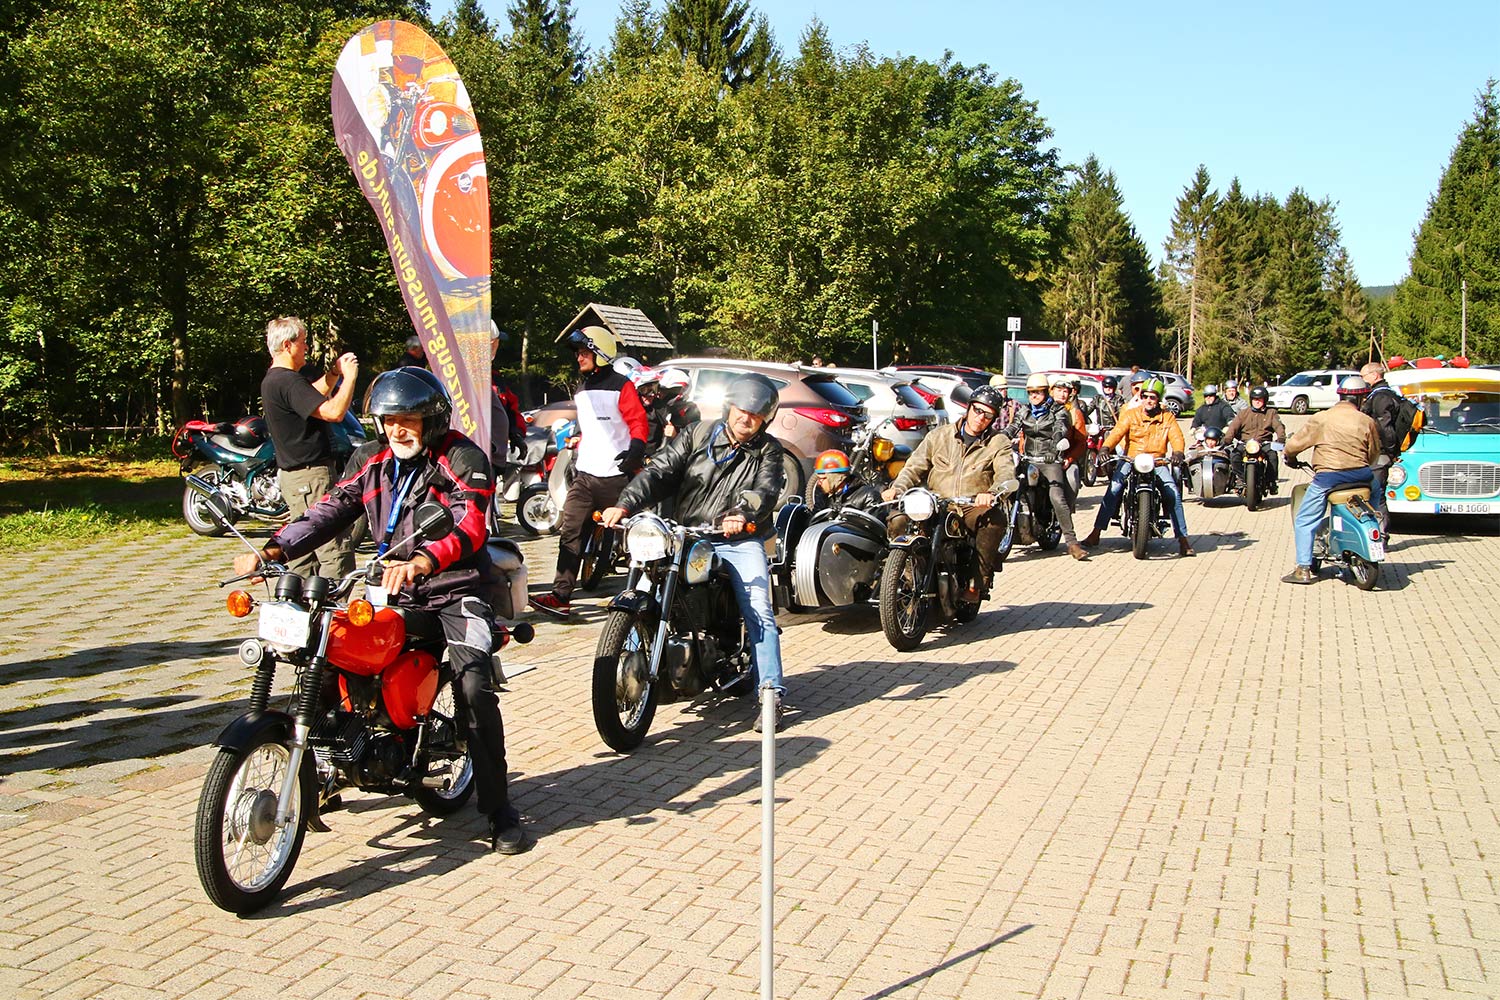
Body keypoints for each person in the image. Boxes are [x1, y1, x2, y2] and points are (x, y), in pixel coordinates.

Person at [232, 366, 528, 854]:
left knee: (474, 683)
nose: (397, 429)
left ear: (431, 419)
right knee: (326, 656)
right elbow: (329, 508)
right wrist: (275, 549)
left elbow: (470, 519)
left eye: (407, 419)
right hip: (390, 588)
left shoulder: (461, 456)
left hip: (456, 587)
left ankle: (499, 810)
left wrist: (426, 559)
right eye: (388, 420)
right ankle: (324, 771)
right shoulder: (371, 460)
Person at [599, 374, 790, 731]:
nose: (745, 418)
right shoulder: (697, 434)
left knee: (759, 609)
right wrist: (624, 505)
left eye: (754, 415)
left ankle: (771, 693)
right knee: (647, 583)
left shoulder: (768, 449)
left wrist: (742, 514)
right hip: (686, 533)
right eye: (741, 410)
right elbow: (659, 472)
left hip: (737, 538)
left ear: (765, 419)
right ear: (729, 407)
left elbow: (765, 489)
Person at [529, 326, 648, 618]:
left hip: (615, 475)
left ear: (600, 354)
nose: (579, 358)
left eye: (585, 353)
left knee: (633, 539)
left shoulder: (623, 386)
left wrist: (636, 449)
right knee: (570, 532)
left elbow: (638, 422)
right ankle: (561, 596)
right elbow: (591, 428)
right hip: (584, 475)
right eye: (578, 353)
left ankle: (641, 593)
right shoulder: (582, 389)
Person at [881, 384, 1018, 600]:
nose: (980, 418)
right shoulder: (939, 436)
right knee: (897, 518)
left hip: (971, 505)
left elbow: (1006, 474)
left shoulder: (998, 442)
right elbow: (914, 466)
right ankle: (906, 574)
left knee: (995, 520)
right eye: (978, 410)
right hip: (936, 502)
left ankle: (977, 582)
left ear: (993, 419)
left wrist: (992, 493)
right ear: (969, 408)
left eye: (988, 415)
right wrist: (898, 488)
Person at [260, 316, 358, 579]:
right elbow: (334, 412)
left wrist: (333, 374)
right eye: (303, 342)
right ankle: (334, 614)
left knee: (301, 548)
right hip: (311, 477)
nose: (306, 348)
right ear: (289, 345)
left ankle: (300, 609)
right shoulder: (288, 381)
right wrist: (349, 378)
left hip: (296, 479)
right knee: (334, 550)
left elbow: (310, 396)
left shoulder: (277, 380)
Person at [1280, 376, 1381, 585]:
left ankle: (1303, 568)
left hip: (1329, 477)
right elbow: (1374, 453)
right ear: (1362, 398)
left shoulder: (1322, 418)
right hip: (1362, 476)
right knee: (1376, 489)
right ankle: (1373, 516)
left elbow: (1294, 445)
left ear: (1340, 395)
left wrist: (1290, 457)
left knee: (1305, 519)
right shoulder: (1366, 420)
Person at [1081, 377, 1194, 556]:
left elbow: (1177, 437)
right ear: (1140, 397)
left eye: (1153, 397)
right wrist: (1105, 447)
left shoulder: (1167, 418)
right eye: (1145, 396)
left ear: (1159, 399)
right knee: (1114, 488)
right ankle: (1096, 533)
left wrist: (1178, 452)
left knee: (1172, 492)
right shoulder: (1131, 415)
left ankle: (1183, 540)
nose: (1148, 400)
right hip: (1131, 458)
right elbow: (1117, 432)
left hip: (1157, 461)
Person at [1000, 374, 1088, 560]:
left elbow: (1060, 428)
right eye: (1030, 392)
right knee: (1008, 486)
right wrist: (998, 439)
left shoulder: (1058, 410)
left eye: (1038, 392)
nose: (1034, 396)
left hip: (1050, 460)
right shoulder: (1024, 411)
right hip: (1028, 459)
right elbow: (1012, 427)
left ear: (1045, 392)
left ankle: (1072, 543)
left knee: (1057, 496)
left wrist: (1056, 445)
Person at [1359, 362, 1402, 532]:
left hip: (1380, 453)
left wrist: (1390, 451)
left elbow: (1385, 427)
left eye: (1364, 376)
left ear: (1375, 375)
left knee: (1377, 495)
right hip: (1380, 452)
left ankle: (1381, 536)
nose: (1362, 380)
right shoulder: (1384, 393)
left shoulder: (1381, 397)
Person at [1223, 385, 1287, 491]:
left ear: (1265, 400)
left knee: (1272, 455)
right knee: (1234, 456)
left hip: (1264, 443)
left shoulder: (1271, 413)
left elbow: (1279, 426)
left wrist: (1281, 438)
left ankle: (1271, 481)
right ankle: (1241, 479)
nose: (1257, 402)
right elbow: (1233, 427)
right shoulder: (1243, 413)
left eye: (1260, 399)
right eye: (1254, 399)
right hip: (1246, 443)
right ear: (1251, 400)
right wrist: (1227, 438)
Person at [808, 448, 882, 515]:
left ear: (837, 478)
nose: (818, 483)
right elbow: (813, 522)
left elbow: (869, 527)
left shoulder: (869, 496)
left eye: (823, 479)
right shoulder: (823, 498)